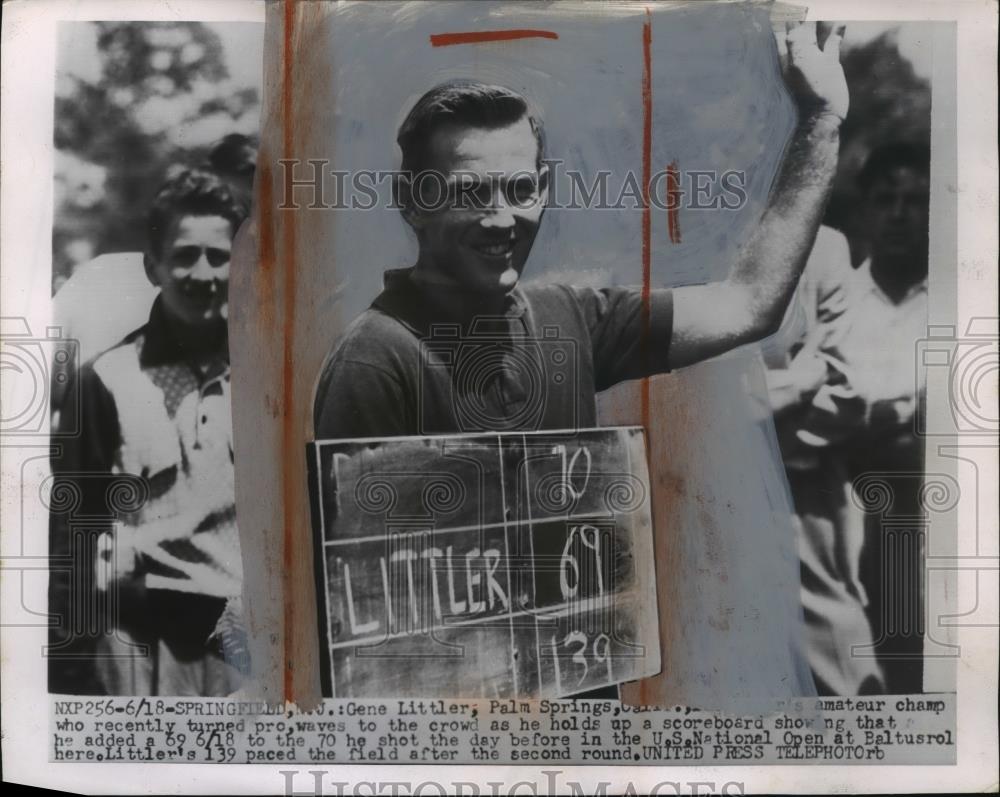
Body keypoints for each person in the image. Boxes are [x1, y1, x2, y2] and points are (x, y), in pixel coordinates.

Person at [314, 22, 850, 441]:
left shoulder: (569, 320)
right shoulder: (376, 359)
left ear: (545, 187)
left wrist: (821, 119)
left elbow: (749, 304)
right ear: (413, 203)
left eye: (520, 190)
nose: (502, 219)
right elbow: (364, 574)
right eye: (470, 193)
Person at [48, 168, 248, 696]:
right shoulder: (105, 380)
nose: (202, 274)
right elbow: (72, 535)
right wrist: (73, 663)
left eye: (218, 256)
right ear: (153, 266)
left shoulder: (268, 377)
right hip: (140, 647)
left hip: (244, 647)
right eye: (184, 256)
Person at [761, 225, 886, 695]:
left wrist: (750, 409)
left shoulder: (822, 245)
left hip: (799, 492)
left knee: (841, 672)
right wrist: (800, 381)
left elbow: (852, 388)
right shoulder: (675, 236)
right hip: (690, 485)